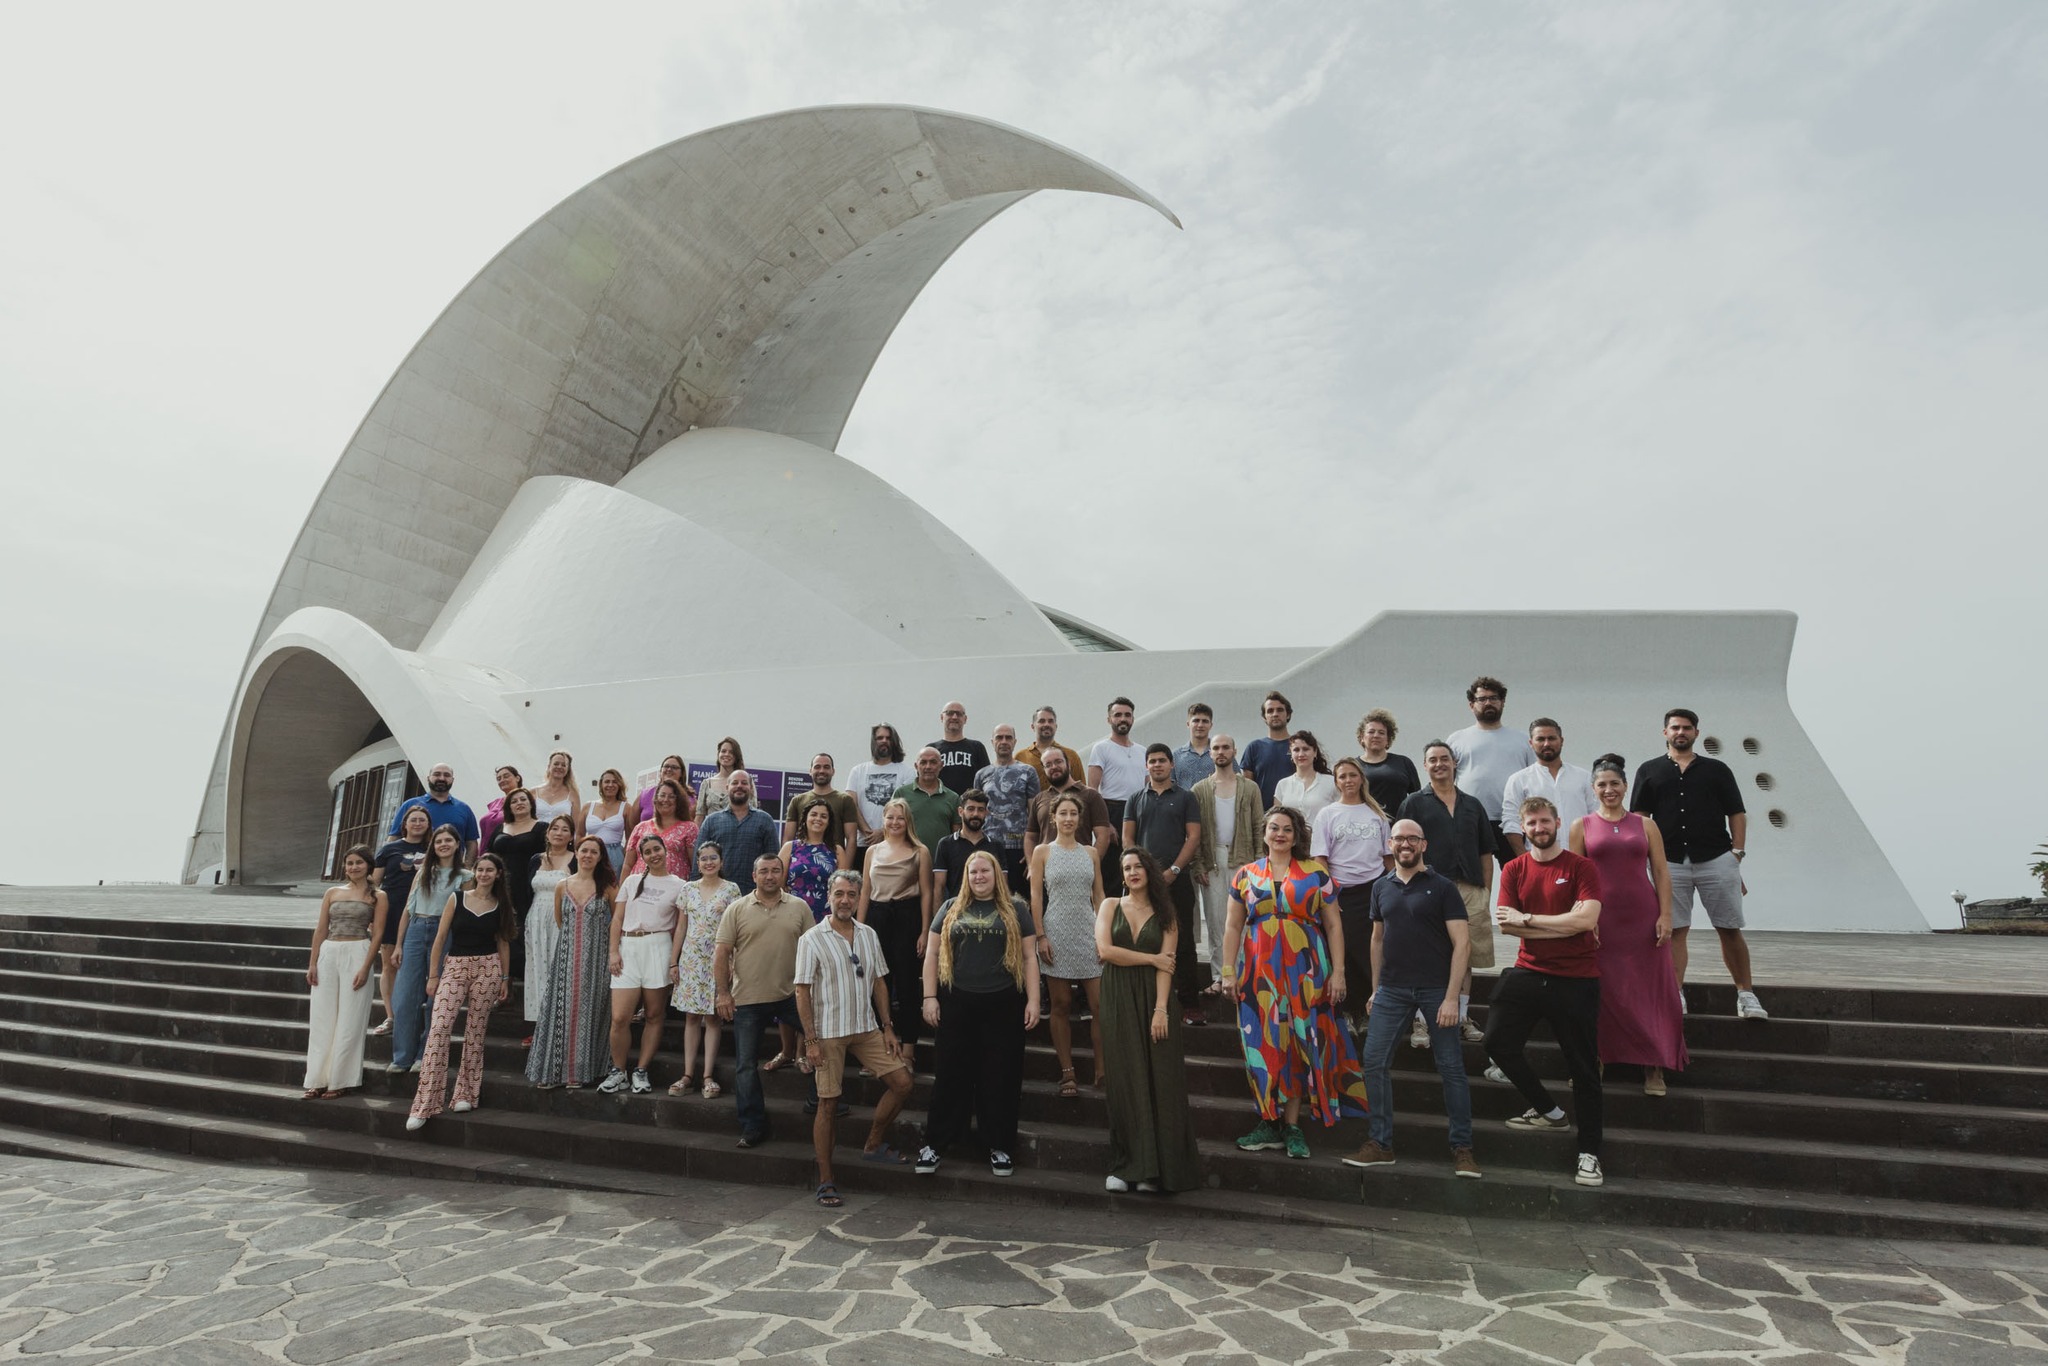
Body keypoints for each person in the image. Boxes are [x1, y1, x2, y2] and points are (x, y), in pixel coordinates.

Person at [1220, 807, 1367, 1159]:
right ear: (1265, 832)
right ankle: (1268, 1121)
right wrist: (1227, 971)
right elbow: (1232, 926)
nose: (1280, 834)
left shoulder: (1317, 874)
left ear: (1297, 835)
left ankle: (1293, 1125)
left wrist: (1339, 971)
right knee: (1263, 1043)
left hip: (1307, 972)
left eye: (1287, 829)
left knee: (1302, 1043)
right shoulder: (1245, 874)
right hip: (1259, 972)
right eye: (1274, 828)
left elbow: (1333, 925)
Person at [1341, 819, 1479, 1178]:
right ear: (1390, 843)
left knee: (1451, 1067)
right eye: (1399, 838)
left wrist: (1453, 999)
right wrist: (1375, 989)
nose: (1405, 844)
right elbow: (1376, 940)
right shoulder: (1380, 888)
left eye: (1412, 839)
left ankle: (1462, 1148)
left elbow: (1463, 943)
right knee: (1373, 1062)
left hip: (1437, 989)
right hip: (1393, 988)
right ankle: (1381, 1144)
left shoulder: (1443, 887)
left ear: (1423, 844)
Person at [1489, 796, 1607, 1187]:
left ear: (1558, 822)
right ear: (1522, 828)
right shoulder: (1514, 869)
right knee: (1497, 1043)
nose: (1539, 828)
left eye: (1545, 821)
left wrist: (1531, 918)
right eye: (1532, 823)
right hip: (1529, 970)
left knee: (1584, 1070)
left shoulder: (1580, 866)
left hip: (1576, 978)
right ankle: (1550, 1112)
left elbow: (1588, 918)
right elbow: (1507, 926)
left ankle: (1590, 1154)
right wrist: (1562, 923)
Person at [1631, 708, 1766, 1020]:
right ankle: (1675, 994)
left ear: (1696, 733)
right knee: (1675, 930)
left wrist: (1737, 853)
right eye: (1675, 727)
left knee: (1729, 928)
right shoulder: (1649, 770)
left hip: (1716, 859)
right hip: (1670, 863)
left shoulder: (1717, 769)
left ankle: (1746, 994)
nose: (1681, 732)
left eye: (1687, 728)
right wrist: (1648, 858)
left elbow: (1737, 812)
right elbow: (1640, 817)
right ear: (1665, 732)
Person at [914, 851, 1042, 1177]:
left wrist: (1033, 1000)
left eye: (985, 871)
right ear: (966, 876)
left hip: (1003, 1004)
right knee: (950, 1075)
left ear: (996, 873)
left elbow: (1029, 958)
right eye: (973, 872)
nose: (979, 877)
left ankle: (999, 1145)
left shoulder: (1017, 908)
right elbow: (931, 953)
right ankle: (936, 1144)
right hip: (957, 1002)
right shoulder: (950, 907)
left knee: (1000, 1077)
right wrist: (930, 997)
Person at [796, 870, 915, 1205]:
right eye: (839, 894)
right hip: (828, 1032)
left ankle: (873, 1144)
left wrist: (888, 1026)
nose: (845, 900)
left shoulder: (867, 934)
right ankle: (825, 1179)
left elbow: (879, 981)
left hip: (865, 1027)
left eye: (851, 894)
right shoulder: (812, 939)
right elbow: (801, 991)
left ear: (859, 897)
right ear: (829, 896)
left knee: (903, 1082)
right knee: (829, 1103)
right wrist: (811, 1040)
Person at [1574, 754, 1686, 1095]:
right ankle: (1599, 1058)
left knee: (1651, 990)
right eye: (1602, 784)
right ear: (1594, 789)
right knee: (1603, 990)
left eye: (1615, 783)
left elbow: (1662, 872)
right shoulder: (1582, 825)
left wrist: (1666, 915)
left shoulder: (1645, 824)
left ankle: (1654, 1066)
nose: (1609, 789)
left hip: (1642, 917)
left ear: (1625, 787)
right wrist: (1584, 918)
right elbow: (1578, 875)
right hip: (1602, 918)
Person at [1095, 848, 1202, 1192]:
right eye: (1126, 868)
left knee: (1162, 1079)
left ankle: (1158, 1170)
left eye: (1138, 865)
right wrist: (1152, 958)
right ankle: (1128, 1166)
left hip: (1156, 1000)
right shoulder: (1110, 906)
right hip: (1118, 996)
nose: (1132, 872)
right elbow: (1105, 952)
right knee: (1126, 1078)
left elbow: (1167, 966)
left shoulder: (1166, 913)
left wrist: (1160, 1010)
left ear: (1149, 871)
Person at [1397, 742, 1505, 1045]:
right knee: (1425, 954)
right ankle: (1422, 1022)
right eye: (1433, 760)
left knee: (1465, 953)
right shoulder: (1414, 803)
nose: (1439, 764)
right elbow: (1401, 848)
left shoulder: (1473, 804)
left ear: (1454, 763)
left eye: (1445, 759)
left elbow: (1486, 851)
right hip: (1428, 887)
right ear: (1425, 765)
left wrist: (1485, 892)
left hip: (1470, 889)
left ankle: (1461, 1017)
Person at [405, 852, 515, 1130]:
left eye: (490, 870)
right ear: (474, 872)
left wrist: (504, 977)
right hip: (454, 966)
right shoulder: (457, 898)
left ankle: (465, 1093)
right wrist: (433, 975)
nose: (485, 874)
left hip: (488, 968)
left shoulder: (501, 904)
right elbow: (440, 939)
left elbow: (503, 943)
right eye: (480, 869)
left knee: (475, 1032)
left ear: (498, 874)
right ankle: (425, 1103)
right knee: (440, 1028)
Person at [715, 853, 812, 1148]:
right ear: (754, 875)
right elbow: (721, 954)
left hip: (791, 996)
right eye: (764, 871)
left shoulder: (799, 907)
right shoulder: (737, 909)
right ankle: (753, 1125)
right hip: (748, 999)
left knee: (825, 1042)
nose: (770, 876)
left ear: (783, 875)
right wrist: (723, 993)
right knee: (745, 1066)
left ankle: (822, 1098)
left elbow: (813, 950)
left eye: (775, 871)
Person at [1030, 792, 1107, 1096]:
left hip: (1088, 932)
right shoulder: (1042, 852)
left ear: (1080, 818)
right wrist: (1040, 936)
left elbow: (1099, 895)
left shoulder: (1091, 853)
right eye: (1062, 813)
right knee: (1060, 1005)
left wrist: (1103, 934)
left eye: (1073, 813)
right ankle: (1068, 1073)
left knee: (1100, 1006)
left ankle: (1101, 1070)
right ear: (1054, 818)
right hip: (1056, 930)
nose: (1068, 819)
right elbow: (1036, 895)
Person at [527, 836, 617, 1090]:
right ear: (576, 853)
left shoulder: (608, 887)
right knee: (560, 1011)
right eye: (584, 850)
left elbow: (616, 922)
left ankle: (579, 1072)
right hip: (566, 958)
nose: (588, 855)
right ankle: (553, 1071)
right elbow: (560, 921)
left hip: (597, 960)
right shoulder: (561, 885)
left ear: (600, 857)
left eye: (594, 852)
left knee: (587, 1012)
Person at [1123, 743, 1204, 1027]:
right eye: (1152, 761)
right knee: (1145, 941)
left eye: (1162, 760)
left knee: (1182, 942)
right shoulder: (1135, 798)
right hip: (1143, 883)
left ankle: (1190, 1005)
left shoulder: (1186, 798)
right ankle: (1148, 1005)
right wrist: (1140, 872)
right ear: (1146, 766)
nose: (1157, 765)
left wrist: (1174, 869)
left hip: (1177, 880)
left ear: (1171, 764)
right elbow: (1128, 839)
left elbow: (1193, 837)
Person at [600, 835, 685, 1095]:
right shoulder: (632, 881)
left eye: (656, 849)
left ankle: (641, 1070)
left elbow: (681, 926)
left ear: (665, 849)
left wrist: (674, 960)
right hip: (629, 948)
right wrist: (613, 952)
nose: (653, 854)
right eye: (647, 851)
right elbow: (617, 920)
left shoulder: (680, 885)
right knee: (620, 1017)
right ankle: (619, 1071)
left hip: (658, 947)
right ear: (642, 856)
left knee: (654, 1014)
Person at [1313, 757, 1392, 1030]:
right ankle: (1347, 1009)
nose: (1348, 781)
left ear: (1361, 779)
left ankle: (1370, 1008)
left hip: (1373, 889)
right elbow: (1320, 859)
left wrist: (1391, 888)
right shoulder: (1328, 814)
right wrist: (1330, 894)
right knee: (1343, 951)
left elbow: (1388, 857)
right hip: (1340, 892)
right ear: (1336, 782)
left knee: (1369, 951)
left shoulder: (1377, 814)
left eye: (1352, 775)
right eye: (1342, 776)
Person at [303, 844, 387, 1099]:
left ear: (368, 866)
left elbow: (379, 934)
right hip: (329, 952)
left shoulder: (379, 896)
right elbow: (320, 929)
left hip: (358, 951)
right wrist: (313, 962)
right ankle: (317, 1079)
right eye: (349, 863)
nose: (354, 867)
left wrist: (366, 967)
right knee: (322, 1018)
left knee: (351, 1020)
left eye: (359, 863)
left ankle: (340, 1080)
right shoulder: (332, 892)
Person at [858, 798, 933, 1069]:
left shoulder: (920, 851)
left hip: (908, 917)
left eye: (900, 818)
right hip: (877, 918)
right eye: (890, 817)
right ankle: (879, 1050)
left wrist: (925, 930)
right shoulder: (872, 852)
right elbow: (865, 892)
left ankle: (909, 1050)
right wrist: (859, 929)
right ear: (884, 819)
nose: (894, 822)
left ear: (908, 821)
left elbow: (926, 893)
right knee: (878, 984)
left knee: (908, 986)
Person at [388, 825, 468, 1073]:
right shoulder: (422, 871)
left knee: (436, 998)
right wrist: (399, 944)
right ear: (432, 846)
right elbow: (407, 910)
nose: (443, 844)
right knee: (405, 997)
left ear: (457, 844)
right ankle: (401, 1057)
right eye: (438, 841)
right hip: (416, 929)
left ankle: (426, 1054)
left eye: (448, 840)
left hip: (444, 934)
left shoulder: (466, 877)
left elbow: (463, 916)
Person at [1192, 734, 1263, 997]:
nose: (1221, 752)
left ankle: (1244, 974)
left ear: (1234, 751)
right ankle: (1218, 976)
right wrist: (1198, 864)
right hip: (1213, 860)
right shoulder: (1199, 789)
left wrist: (1258, 864)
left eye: (1225, 747)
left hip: (1244, 858)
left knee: (1244, 919)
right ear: (1210, 753)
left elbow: (1259, 826)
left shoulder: (1250, 788)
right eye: (1216, 748)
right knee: (1215, 919)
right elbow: (1195, 832)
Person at [668, 840, 737, 1098]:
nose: (708, 862)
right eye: (704, 858)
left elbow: (735, 930)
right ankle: (687, 1075)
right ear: (697, 863)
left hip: (717, 959)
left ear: (721, 861)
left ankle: (707, 1076)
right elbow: (681, 928)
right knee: (691, 1017)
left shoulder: (731, 890)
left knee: (713, 1017)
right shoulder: (688, 889)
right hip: (691, 959)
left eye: (713, 857)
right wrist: (674, 961)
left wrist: (732, 963)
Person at [1446, 677, 1537, 847]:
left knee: (1517, 870)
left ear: (1502, 702)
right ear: (1471, 705)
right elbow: (1446, 781)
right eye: (1482, 699)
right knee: (1473, 872)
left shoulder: (1523, 740)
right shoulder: (1456, 740)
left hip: (1513, 819)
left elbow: (1533, 780)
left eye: (1493, 698)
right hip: (1470, 818)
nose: (1488, 703)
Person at [369, 805, 432, 1035]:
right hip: (392, 909)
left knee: (423, 966)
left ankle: (417, 1015)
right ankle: (391, 1016)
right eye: (413, 820)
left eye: (422, 820)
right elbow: (374, 884)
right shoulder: (389, 848)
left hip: (424, 910)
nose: (417, 823)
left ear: (428, 824)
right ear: (404, 824)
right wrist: (372, 914)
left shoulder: (434, 847)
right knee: (389, 965)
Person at [1500, 719, 1597, 857]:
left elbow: (1595, 818)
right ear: (1531, 743)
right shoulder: (1519, 780)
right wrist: (1525, 860)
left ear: (1561, 740)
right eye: (1540, 739)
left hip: (1580, 858)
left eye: (1551, 738)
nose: (1546, 744)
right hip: (1539, 859)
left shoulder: (1583, 777)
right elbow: (1511, 823)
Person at [522, 815, 576, 1044]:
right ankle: (539, 1027)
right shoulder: (536, 859)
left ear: (572, 836)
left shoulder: (576, 859)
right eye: (555, 828)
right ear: (547, 833)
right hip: (536, 918)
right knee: (536, 971)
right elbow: (527, 891)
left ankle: (560, 1029)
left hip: (562, 918)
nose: (559, 833)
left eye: (565, 830)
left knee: (559, 971)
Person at [975, 725, 1040, 888]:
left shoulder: (1028, 772)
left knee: (1019, 900)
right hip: (989, 846)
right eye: (999, 737)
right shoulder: (982, 774)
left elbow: (1035, 812)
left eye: (1008, 737)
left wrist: (1032, 849)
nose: (1004, 741)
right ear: (992, 741)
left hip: (1019, 847)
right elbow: (976, 812)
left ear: (1015, 741)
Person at [1023, 748, 1115, 861]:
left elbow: (1103, 837)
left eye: (1058, 761)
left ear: (1069, 764)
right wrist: (1032, 866)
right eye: (1048, 764)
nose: (1054, 767)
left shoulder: (1091, 795)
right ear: (1044, 769)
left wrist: (1090, 865)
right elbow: (1030, 838)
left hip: (1080, 869)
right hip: (1046, 871)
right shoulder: (1039, 799)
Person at [698, 770, 780, 895]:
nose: (739, 786)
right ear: (727, 787)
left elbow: (773, 860)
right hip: (717, 894)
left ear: (751, 788)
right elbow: (698, 860)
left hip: (754, 895)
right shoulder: (711, 821)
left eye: (744, 783)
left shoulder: (765, 820)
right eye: (735, 783)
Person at [389, 763, 480, 859]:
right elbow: (394, 838)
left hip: (452, 870)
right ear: (428, 778)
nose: (442, 778)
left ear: (452, 780)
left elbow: (471, 843)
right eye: (437, 774)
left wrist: (468, 867)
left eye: (447, 775)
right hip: (413, 868)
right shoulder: (409, 805)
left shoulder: (464, 809)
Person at [847, 724, 912, 857]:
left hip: (894, 844)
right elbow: (851, 804)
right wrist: (867, 832)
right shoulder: (857, 771)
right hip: (862, 843)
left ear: (893, 742)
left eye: (888, 738)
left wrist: (883, 831)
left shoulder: (908, 772)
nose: (884, 741)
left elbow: (908, 808)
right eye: (880, 738)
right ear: (873, 741)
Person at [488, 788, 548, 932]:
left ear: (531, 804)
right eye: (514, 801)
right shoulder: (499, 828)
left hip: (528, 885)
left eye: (523, 799)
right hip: (501, 885)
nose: (519, 803)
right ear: (509, 807)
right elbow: (489, 854)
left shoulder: (543, 828)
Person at [783, 753, 857, 861]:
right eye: (817, 767)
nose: (821, 771)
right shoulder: (797, 801)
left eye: (826, 767)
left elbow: (851, 839)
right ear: (810, 771)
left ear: (833, 771)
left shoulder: (845, 800)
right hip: (801, 863)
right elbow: (788, 838)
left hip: (834, 863)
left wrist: (844, 871)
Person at [892, 747, 962, 857]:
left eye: (933, 762)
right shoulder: (901, 794)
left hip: (941, 863)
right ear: (916, 766)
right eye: (923, 762)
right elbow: (892, 828)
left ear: (941, 765)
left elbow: (956, 836)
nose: (928, 767)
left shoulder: (953, 798)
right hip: (907, 861)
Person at [932, 788, 998, 904]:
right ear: (960, 812)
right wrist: (940, 919)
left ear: (986, 813)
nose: (976, 814)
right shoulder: (946, 844)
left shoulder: (995, 846)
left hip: (990, 913)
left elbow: (1002, 886)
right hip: (957, 913)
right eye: (971, 809)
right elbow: (939, 888)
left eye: (980, 810)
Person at [624, 779, 697, 882]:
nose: (666, 800)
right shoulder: (640, 827)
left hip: (674, 892)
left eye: (671, 796)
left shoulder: (690, 828)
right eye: (662, 795)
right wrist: (622, 894)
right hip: (640, 890)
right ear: (655, 799)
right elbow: (627, 865)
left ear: (678, 801)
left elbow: (695, 866)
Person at [780, 800, 841, 921]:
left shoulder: (837, 851)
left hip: (825, 915)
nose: (818, 818)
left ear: (829, 822)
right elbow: (778, 883)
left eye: (823, 816)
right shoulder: (790, 847)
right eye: (813, 814)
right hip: (792, 913)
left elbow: (842, 888)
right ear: (805, 819)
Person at [1356, 710, 1420, 819]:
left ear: (1388, 740)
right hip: (1365, 827)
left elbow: (1418, 798)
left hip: (1399, 829)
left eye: (1381, 733)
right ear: (1362, 737)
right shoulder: (1354, 766)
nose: (1376, 735)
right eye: (1371, 732)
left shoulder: (1403, 762)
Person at [1238, 692, 1297, 806]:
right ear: (1264, 717)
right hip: (1262, 817)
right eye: (1270, 711)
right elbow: (1247, 790)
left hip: (1294, 814)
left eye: (1280, 710)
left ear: (1288, 714)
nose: (1275, 714)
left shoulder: (1299, 747)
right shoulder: (1254, 747)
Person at [1274, 731, 1338, 826]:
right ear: (1291, 754)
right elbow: (1277, 819)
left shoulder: (1331, 782)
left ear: (1315, 752)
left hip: (1321, 839)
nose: (1301, 754)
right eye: (1296, 750)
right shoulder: (1282, 784)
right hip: (1291, 840)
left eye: (1306, 749)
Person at [929, 701, 989, 796]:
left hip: (969, 807)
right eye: (949, 713)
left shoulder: (977, 747)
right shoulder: (932, 749)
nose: (954, 717)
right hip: (940, 805)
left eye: (959, 714)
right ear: (941, 717)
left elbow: (986, 781)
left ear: (965, 719)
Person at [1016, 706, 1083, 783]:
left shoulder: (1071, 756)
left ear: (1056, 726)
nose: (1046, 724)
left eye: (1050, 721)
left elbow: (1081, 789)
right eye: (1041, 721)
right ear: (1032, 726)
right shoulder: (1020, 758)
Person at [582, 768, 632, 871]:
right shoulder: (588, 806)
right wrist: (580, 851)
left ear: (619, 785)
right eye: (607, 781)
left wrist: (624, 856)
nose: (610, 785)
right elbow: (579, 834)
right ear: (601, 784)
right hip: (590, 853)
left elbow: (630, 838)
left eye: (614, 782)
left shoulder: (626, 808)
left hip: (615, 854)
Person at [697, 737, 745, 821]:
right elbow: (699, 817)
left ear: (736, 756)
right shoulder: (706, 784)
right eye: (723, 751)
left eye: (731, 752)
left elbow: (752, 813)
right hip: (712, 833)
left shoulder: (746, 783)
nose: (726, 754)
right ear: (718, 754)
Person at [478, 765, 524, 852]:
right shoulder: (495, 803)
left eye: (506, 776)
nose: (502, 780)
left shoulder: (525, 802)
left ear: (517, 778)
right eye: (499, 779)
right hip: (485, 854)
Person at [1171, 702, 1215, 791]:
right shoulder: (1176, 756)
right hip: (1185, 804)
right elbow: (1170, 786)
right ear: (1188, 724)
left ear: (1211, 725)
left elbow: (1235, 779)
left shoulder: (1221, 753)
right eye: (1196, 721)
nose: (1200, 725)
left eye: (1205, 721)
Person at [532, 750, 582, 828]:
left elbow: (576, 826)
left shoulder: (573, 795)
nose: (559, 767)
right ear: (549, 766)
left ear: (568, 769)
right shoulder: (533, 792)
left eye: (563, 765)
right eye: (556, 764)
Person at [637, 755, 688, 823]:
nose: (669, 769)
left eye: (674, 767)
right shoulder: (645, 794)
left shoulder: (690, 797)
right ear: (661, 771)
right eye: (666, 766)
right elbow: (631, 823)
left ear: (682, 773)